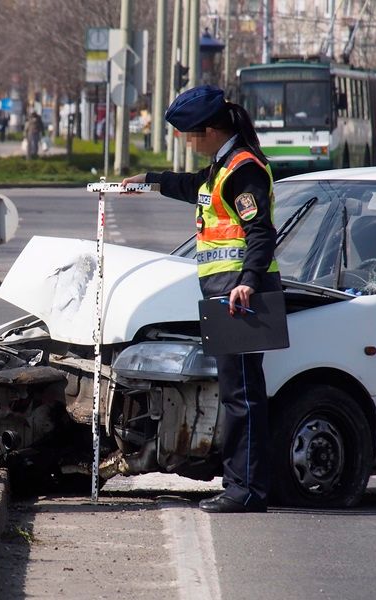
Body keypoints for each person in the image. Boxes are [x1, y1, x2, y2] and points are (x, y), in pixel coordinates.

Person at [122, 85, 280, 513]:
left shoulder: (243, 169)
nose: (189, 144)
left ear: (211, 129)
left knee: (242, 396)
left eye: (191, 136)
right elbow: (195, 187)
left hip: (239, 296)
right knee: (235, 392)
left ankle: (245, 491)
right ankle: (241, 485)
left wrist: (248, 279)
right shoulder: (221, 167)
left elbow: (261, 231)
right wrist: (148, 182)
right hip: (223, 294)